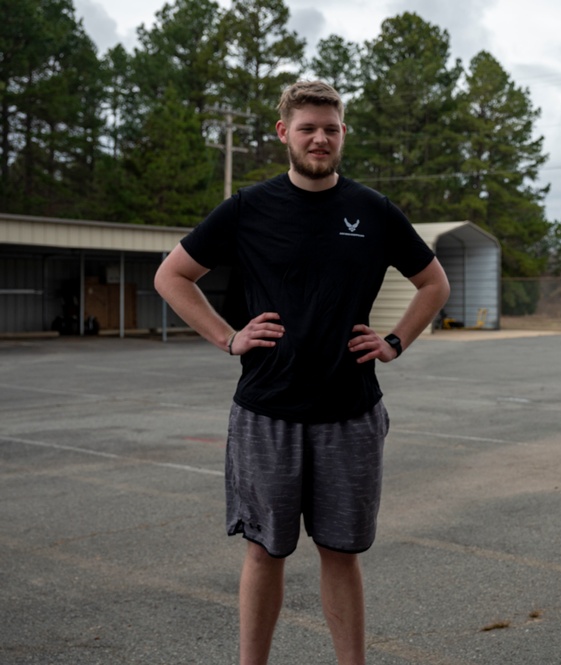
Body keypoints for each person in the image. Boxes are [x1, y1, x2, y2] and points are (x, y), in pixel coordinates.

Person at [154, 80, 450, 665]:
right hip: (267, 411)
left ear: (343, 134)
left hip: (351, 412)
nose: (320, 138)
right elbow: (172, 275)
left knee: (341, 553)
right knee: (266, 552)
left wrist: (394, 341)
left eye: (331, 128)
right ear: (283, 132)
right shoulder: (247, 209)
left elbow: (433, 283)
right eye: (308, 127)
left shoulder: (372, 211)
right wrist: (228, 337)